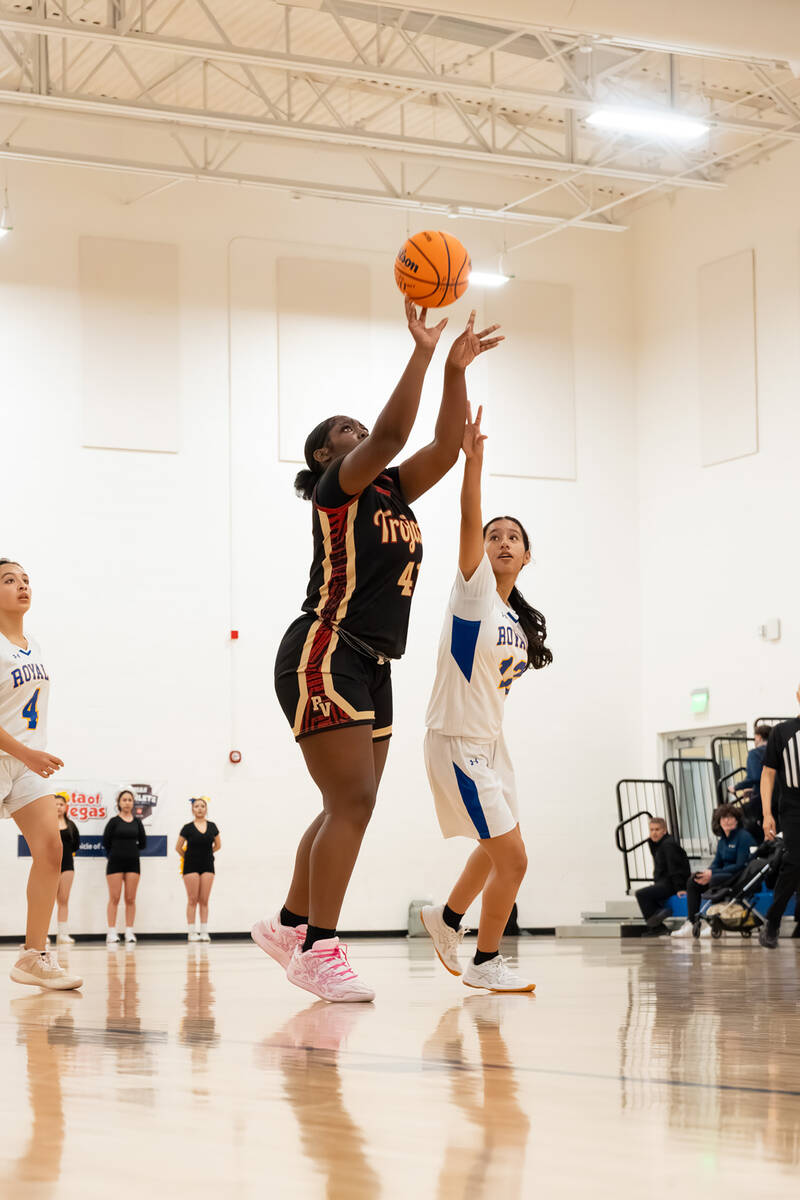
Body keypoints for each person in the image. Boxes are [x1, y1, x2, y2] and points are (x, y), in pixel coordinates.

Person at [253, 300, 503, 1003]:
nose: (361, 433)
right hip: (324, 648)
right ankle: (320, 949)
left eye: (358, 428)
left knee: (346, 803)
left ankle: (289, 924)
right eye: (346, 432)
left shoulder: (393, 490)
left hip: (373, 663)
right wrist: (422, 351)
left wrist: (455, 370)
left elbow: (446, 449)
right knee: (353, 800)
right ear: (326, 458)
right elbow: (395, 432)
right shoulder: (339, 490)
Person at [419, 405, 550, 992]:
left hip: (492, 746)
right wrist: (474, 464)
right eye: (494, 535)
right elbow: (468, 518)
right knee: (513, 859)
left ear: (526, 556)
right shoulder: (472, 593)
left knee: (500, 848)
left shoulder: (516, 622)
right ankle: (484, 961)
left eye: (512, 537)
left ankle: (444, 920)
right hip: (457, 740)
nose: (501, 541)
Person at [0, 558, 82, 990]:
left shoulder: (34, 644)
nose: (21, 586)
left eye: (26, 580)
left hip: (25, 763)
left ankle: (32, 956)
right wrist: (27, 754)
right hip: (13, 755)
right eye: (9, 580)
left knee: (51, 850)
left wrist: (29, 756)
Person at [670, 804, 755, 937]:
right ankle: (691, 922)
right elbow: (716, 863)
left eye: (730, 817)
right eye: (723, 818)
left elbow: (740, 865)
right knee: (693, 880)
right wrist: (706, 872)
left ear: (737, 820)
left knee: (714, 878)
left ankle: (715, 923)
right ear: (719, 821)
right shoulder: (723, 841)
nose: (727, 820)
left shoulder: (743, 837)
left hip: (740, 876)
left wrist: (712, 874)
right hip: (724, 874)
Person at [758, 695, 800, 948]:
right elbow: (768, 773)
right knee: (794, 862)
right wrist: (766, 813)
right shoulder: (782, 731)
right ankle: (773, 921)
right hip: (794, 806)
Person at [103, 789, 147, 945]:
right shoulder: (113, 822)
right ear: (119, 803)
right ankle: (111, 932)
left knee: (130, 899)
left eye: (130, 800)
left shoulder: (137, 822)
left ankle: (129, 931)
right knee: (114, 898)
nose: (127, 802)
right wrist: (116, 852)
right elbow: (106, 842)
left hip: (133, 863)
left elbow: (143, 843)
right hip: (115, 862)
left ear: (133, 803)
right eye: (124, 800)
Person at [634, 817, 691, 935]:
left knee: (641, 894)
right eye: (651, 830)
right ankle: (657, 923)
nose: (654, 833)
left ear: (664, 831)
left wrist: (680, 888)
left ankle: (658, 925)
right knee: (646, 894)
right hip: (664, 882)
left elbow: (675, 868)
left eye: (657, 829)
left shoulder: (668, 845)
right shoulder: (659, 844)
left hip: (671, 883)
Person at [176, 796, 220, 942]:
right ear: (192, 809)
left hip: (207, 865)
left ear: (206, 809)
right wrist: (189, 857)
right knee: (192, 899)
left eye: (202, 806)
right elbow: (178, 847)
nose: (200, 808)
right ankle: (191, 932)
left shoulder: (212, 826)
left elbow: (218, 845)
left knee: (204, 900)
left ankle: (204, 931)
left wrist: (206, 854)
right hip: (190, 866)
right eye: (197, 806)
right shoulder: (187, 828)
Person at [54, 791, 80, 945]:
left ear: (66, 807)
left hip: (68, 865)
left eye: (61, 804)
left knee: (63, 900)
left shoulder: (71, 825)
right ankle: (42, 935)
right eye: (55, 804)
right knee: (47, 900)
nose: (58, 807)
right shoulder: (47, 824)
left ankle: (62, 934)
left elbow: (76, 844)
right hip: (51, 865)